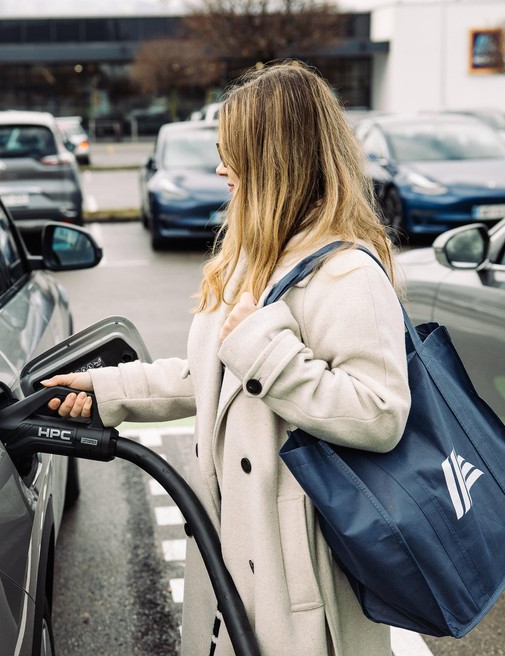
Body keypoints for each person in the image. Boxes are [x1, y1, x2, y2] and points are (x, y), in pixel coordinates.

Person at [42, 61, 411, 656]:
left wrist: (265, 350)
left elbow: (380, 413)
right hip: (233, 561)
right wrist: (109, 391)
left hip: (301, 587)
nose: (220, 168)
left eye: (230, 153)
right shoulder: (252, 258)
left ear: (274, 159)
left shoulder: (347, 273)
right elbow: (212, 378)